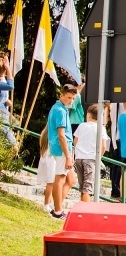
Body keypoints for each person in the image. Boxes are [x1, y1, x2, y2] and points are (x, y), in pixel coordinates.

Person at [47, 84, 78, 219]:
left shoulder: (61, 108)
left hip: (63, 148)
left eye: (73, 98)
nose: (70, 101)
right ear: (62, 95)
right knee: (59, 179)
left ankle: (57, 207)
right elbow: (61, 135)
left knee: (71, 180)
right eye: (69, 97)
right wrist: (68, 156)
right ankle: (58, 211)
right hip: (61, 149)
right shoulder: (60, 110)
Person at [37, 124, 76, 215]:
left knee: (71, 180)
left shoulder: (51, 131)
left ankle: (56, 205)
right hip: (56, 156)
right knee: (52, 181)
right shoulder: (54, 133)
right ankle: (48, 205)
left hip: (62, 156)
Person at [72, 104, 108, 202]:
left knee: (82, 184)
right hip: (91, 158)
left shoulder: (82, 125)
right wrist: (99, 156)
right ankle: (85, 210)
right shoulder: (101, 128)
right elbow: (104, 146)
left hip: (79, 158)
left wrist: (79, 150)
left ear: (88, 115)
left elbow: (75, 141)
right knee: (88, 186)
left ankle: (81, 206)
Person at [0, 52, 16, 149]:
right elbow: (10, 86)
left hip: (4, 113)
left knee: (15, 124)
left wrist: (6, 101)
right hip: (1, 115)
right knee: (13, 144)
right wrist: (8, 68)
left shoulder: (2, 79)